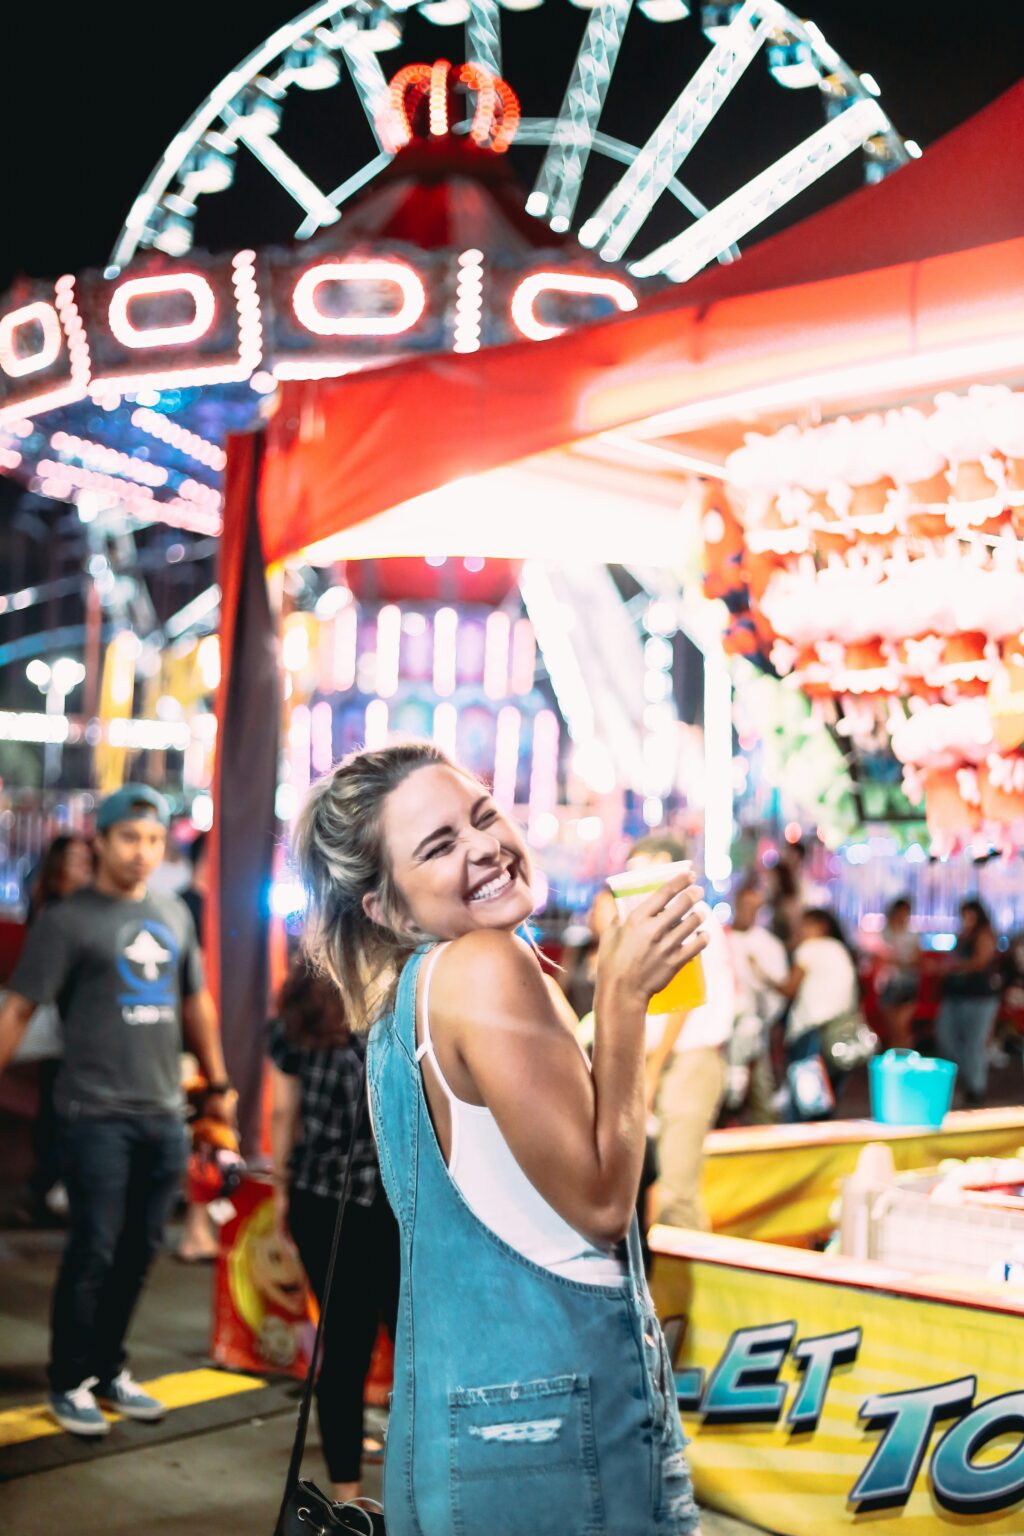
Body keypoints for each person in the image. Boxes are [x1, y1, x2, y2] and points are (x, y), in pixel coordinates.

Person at [295, 742, 707, 1536]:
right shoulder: (486, 966)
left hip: (458, 1429)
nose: (483, 845)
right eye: (439, 846)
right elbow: (599, 1203)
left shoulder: (408, 995)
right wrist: (623, 999)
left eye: (483, 815)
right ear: (387, 907)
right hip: (556, 1432)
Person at [0, 784, 236, 1438]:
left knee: (139, 1251)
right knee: (94, 1249)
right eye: (129, 838)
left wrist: (216, 1086)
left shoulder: (175, 914)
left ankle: (107, 1368)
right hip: (92, 1113)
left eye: (154, 840)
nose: (142, 852)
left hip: (162, 1112)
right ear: (99, 840)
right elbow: (18, 1010)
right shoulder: (68, 920)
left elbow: (197, 1004)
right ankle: (67, 1378)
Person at [268, 955, 400, 1506]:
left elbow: (283, 1114)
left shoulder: (296, 1013)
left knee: (343, 1346)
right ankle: (424, 1480)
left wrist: (279, 1196)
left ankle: (348, 1498)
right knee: (413, 1342)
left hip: (319, 1201)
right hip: (391, 1202)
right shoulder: (398, 1005)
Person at [628, 834, 734, 1232]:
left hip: (687, 1062)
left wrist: (652, 1072)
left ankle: (692, 1291)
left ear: (663, 863)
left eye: (639, 864)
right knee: (669, 1188)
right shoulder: (673, 914)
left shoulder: (683, 912)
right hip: (674, 1061)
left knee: (676, 1192)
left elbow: (680, 1004)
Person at [14, 832, 95, 1225]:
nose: (84, 865)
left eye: (87, 858)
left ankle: (47, 1187)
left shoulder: (79, 910)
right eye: (76, 859)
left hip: (74, 1029)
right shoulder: (57, 914)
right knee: (57, 1111)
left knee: (59, 1109)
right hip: (63, 1025)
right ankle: (45, 1188)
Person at [725, 877, 788, 1124]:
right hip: (723, 1029)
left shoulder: (768, 944)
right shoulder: (721, 938)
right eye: (745, 904)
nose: (748, 910)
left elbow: (778, 991)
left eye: (755, 906)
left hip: (755, 1026)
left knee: (760, 1087)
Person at [937, 899, 1001, 1107]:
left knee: (974, 1044)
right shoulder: (963, 935)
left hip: (979, 998)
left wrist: (953, 967)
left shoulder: (984, 934)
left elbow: (980, 962)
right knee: (947, 1038)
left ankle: (976, 1088)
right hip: (956, 996)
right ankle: (965, 1079)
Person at [878, 897, 920, 1049]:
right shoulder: (884, 933)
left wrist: (898, 961)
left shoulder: (912, 935)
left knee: (901, 1025)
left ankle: (901, 1054)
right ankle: (898, 1055)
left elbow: (916, 960)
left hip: (907, 983)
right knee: (893, 1026)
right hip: (888, 983)